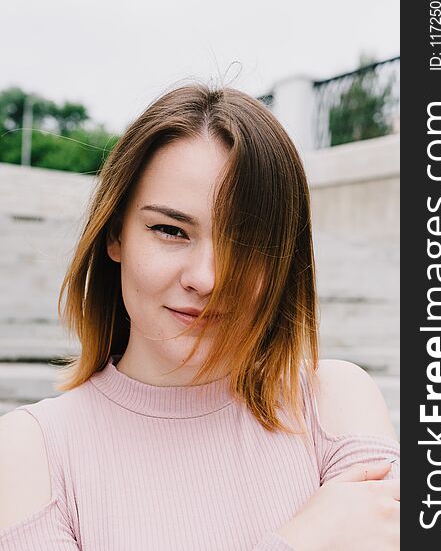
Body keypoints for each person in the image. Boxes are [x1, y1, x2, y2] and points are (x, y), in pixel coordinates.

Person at [0, 84, 399, 550]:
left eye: (245, 242)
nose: (207, 278)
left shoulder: (332, 401)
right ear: (115, 236)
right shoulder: (30, 451)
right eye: (170, 230)